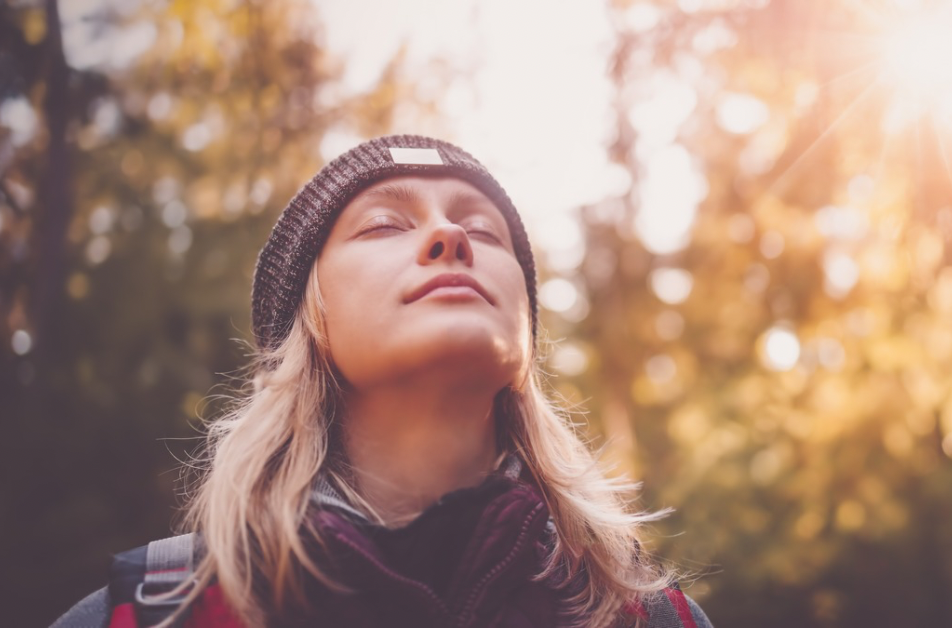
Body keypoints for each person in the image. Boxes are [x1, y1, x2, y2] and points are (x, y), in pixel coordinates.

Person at [52, 135, 712, 627]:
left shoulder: (650, 618)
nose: (451, 234)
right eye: (386, 225)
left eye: (485, 230)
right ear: (309, 323)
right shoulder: (149, 614)